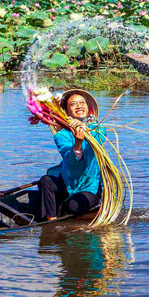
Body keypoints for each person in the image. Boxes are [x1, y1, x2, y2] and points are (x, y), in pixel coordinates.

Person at [38, 89, 107, 221]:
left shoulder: (98, 129)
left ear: (88, 108)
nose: (79, 106)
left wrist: (83, 129)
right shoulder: (61, 136)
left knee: (72, 206)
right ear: (67, 111)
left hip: (89, 187)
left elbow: (97, 140)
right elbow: (71, 161)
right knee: (46, 181)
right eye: (73, 104)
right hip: (68, 184)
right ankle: (51, 220)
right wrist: (77, 144)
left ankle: (61, 210)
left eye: (82, 103)